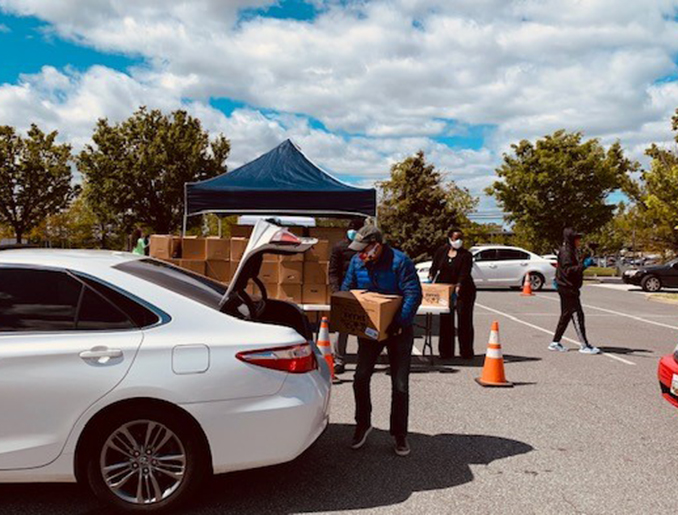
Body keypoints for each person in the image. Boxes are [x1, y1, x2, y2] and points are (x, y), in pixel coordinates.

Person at [341, 225, 422, 457]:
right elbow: (348, 289)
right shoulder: (358, 262)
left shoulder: (400, 261)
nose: (360, 253)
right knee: (360, 377)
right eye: (358, 250)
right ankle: (362, 425)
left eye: (364, 249)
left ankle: (399, 434)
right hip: (370, 330)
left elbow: (413, 293)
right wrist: (348, 312)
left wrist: (400, 321)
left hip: (398, 330)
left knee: (400, 385)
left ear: (378, 245)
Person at [549, 228, 600, 354]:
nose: (579, 241)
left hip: (567, 286)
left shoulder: (570, 250)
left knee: (566, 315)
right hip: (567, 288)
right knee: (578, 314)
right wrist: (584, 265)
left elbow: (572, 267)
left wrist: (585, 260)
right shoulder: (567, 252)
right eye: (577, 238)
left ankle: (555, 342)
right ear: (571, 239)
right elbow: (568, 270)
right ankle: (584, 345)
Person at [428, 227, 477, 360]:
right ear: (450, 239)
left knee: (464, 321)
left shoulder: (466, 255)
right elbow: (434, 267)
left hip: (464, 291)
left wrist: (459, 285)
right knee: (446, 322)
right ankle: (446, 352)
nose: (458, 241)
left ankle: (466, 352)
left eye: (461, 238)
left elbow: (464, 273)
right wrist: (431, 278)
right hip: (445, 290)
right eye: (456, 238)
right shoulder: (442, 251)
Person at [328, 218, 365, 375]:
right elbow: (333, 271)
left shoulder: (364, 247)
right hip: (345, 290)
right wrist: (336, 291)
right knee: (342, 328)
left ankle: (363, 360)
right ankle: (339, 360)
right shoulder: (339, 247)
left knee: (363, 327)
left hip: (363, 291)